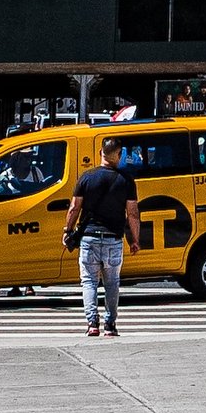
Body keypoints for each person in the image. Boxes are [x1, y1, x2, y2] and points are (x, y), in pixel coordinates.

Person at [62, 133, 139, 340]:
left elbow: (74, 208)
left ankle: (92, 323)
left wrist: (67, 231)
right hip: (114, 238)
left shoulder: (87, 177)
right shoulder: (126, 180)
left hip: (89, 238)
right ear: (119, 155)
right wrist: (135, 240)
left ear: (100, 153)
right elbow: (132, 214)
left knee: (88, 282)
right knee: (112, 282)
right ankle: (110, 324)